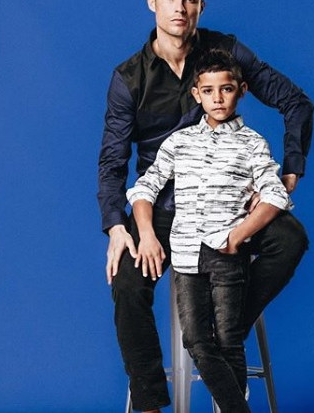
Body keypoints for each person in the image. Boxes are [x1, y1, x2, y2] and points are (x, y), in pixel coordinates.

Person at [97, 1, 313, 411]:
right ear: (152, 2)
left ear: (201, 4)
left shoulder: (226, 53)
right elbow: (113, 162)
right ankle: (150, 404)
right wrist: (117, 226)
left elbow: (296, 102)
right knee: (125, 282)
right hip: (163, 209)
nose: (180, 7)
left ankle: (222, 338)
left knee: (291, 238)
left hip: (229, 206)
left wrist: (288, 175)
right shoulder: (129, 78)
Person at [126, 49, 293, 413]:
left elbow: (276, 194)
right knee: (197, 341)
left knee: (229, 340)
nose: (218, 98)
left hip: (225, 253)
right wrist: (147, 233)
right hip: (186, 253)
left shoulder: (252, 143)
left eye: (227, 89)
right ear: (196, 94)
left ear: (241, 91)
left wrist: (237, 236)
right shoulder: (179, 142)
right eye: (208, 90)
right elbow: (144, 188)